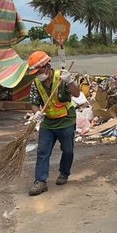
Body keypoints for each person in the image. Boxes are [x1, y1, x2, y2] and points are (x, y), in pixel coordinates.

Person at [26, 51, 80, 196]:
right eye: (36, 73)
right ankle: (40, 181)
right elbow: (34, 102)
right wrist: (37, 112)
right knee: (42, 151)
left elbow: (77, 94)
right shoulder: (36, 83)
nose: (38, 75)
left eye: (40, 71)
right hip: (48, 123)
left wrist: (70, 81)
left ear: (47, 66)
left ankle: (64, 172)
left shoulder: (61, 78)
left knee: (68, 150)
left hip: (66, 120)